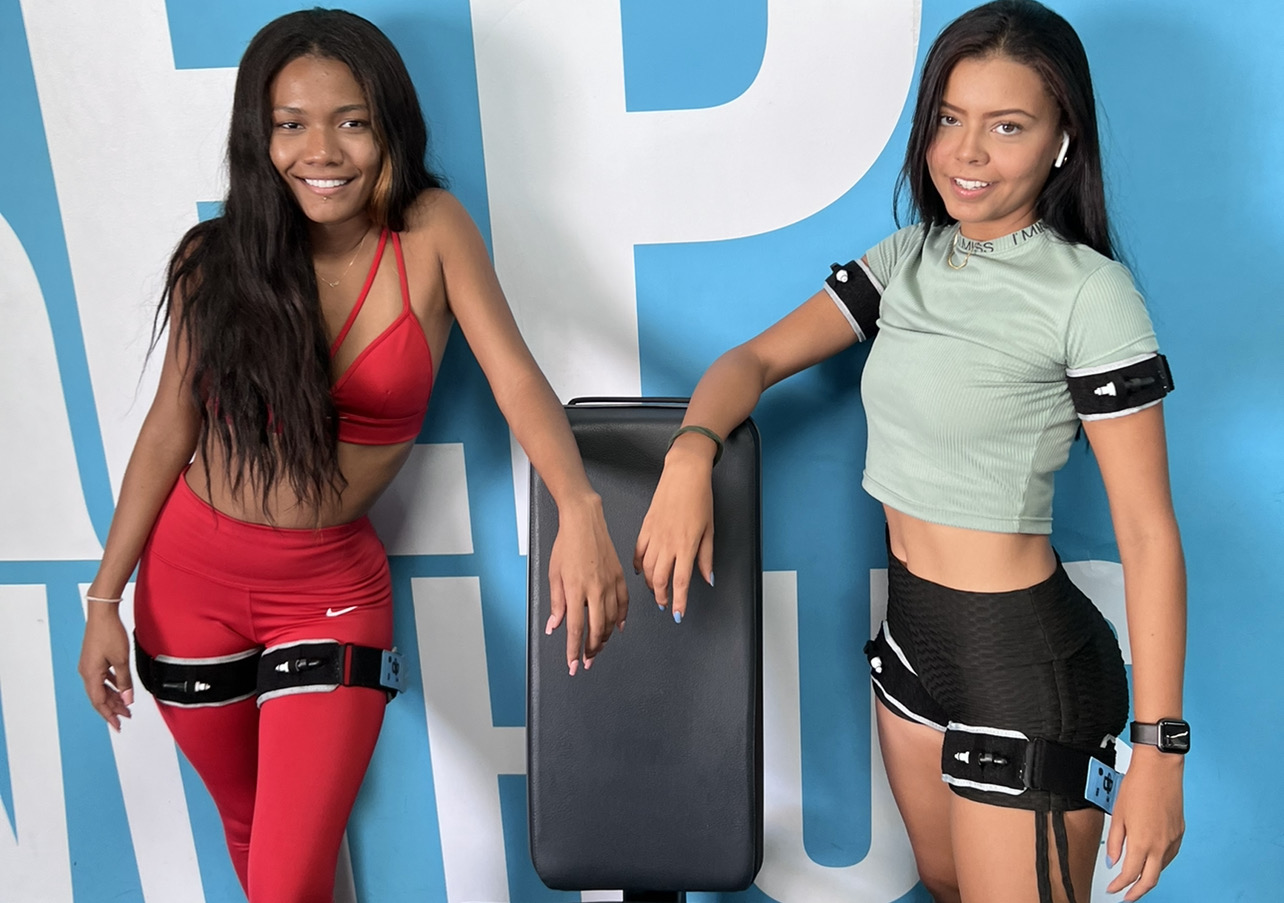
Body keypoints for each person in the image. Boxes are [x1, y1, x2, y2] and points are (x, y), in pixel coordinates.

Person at [633, 2, 1185, 901]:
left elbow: (1148, 532)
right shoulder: (907, 259)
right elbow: (752, 361)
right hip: (913, 640)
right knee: (945, 884)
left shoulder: (1092, 295)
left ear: (1062, 141)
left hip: (1024, 662)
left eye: (1007, 127)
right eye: (949, 119)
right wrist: (691, 455)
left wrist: (1159, 750)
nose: (967, 153)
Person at [76, 8, 626, 901]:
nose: (320, 151)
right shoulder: (217, 262)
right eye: (290, 124)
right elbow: (168, 432)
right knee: (252, 835)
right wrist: (105, 597)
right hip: (187, 587)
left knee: (286, 877)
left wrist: (581, 506)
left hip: (327, 591)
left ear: (388, 127)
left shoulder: (433, 231)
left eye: (351, 122)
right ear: (259, 137)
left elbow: (517, 380)